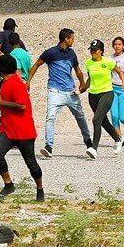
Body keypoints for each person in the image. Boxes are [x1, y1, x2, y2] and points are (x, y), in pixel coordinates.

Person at [27, 28, 94, 159]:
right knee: (50, 117)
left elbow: (78, 70)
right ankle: (48, 146)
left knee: (80, 117)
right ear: (66, 39)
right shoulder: (50, 53)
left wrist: (82, 84)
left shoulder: (72, 53)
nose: (73, 41)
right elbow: (36, 65)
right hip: (55, 91)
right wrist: (28, 81)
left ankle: (89, 143)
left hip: (70, 91)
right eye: (72, 38)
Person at [0, 55, 44, 202]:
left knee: (31, 163)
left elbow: (21, 106)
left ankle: (40, 189)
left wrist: (2, 102)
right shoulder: (4, 83)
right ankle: (8, 184)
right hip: (7, 129)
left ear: (1, 69)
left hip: (23, 131)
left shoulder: (17, 83)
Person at [84, 40, 124, 158]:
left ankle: (94, 148)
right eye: (91, 50)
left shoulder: (108, 62)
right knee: (103, 121)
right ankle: (118, 139)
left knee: (96, 120)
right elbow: (90, 79)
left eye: (95, 50)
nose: (92, 52)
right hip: (92, 95)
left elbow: (120, 71)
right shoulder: (88, 63)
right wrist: (82, 89)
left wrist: (123, 83)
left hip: (107, 93)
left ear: (101, 51)